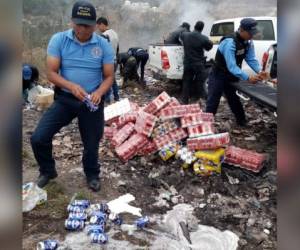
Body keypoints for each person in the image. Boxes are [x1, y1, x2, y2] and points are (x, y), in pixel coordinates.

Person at [30, 0, 114, 191]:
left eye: (87, 25)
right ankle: (47, 171)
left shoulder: (103, 45)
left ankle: (92, 174)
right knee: (39, 137)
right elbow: (51, 73)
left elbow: (109, 76)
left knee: (92, 143)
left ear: (94, 25)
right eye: (79, 24)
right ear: (71, 22)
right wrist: (71, 86)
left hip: (91, 100)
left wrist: (99, 92)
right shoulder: (59, 40)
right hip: (66, 98)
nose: (83, 29)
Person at [206, 18, 266, 126]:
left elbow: (251, 59)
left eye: (253, 33)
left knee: (233, 99)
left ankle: (241, 121)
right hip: (218, 74)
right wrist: (248, 78)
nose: (252, 36)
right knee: (213, 101)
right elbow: (232, 66)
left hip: (230, 76)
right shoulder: (229, 42)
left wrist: (260, 71)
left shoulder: (248, 42)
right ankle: (205, 127)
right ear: (242, 30)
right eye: (250, 33)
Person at [181, 21, 213, 104]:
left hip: (187, 63)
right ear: (202, 29)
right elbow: (208, 48)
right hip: (198, 64)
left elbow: (181, 37)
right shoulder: (204, 38)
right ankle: (200, 100)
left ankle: (184, 101)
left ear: (194, 26)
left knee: (186, 82)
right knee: (200, 82)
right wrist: (211, 43)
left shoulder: (185, 35)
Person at [96, 17, 120, 103]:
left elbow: (101, 51)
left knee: (106, 81)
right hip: (114, 60)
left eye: (98, 26)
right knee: (112, 79)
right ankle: (117, 97)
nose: (98, 29)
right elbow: (117, 49)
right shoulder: (115, 33)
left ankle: (107, 100)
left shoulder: (104, 35)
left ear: (102, 24)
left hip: (107, 62)